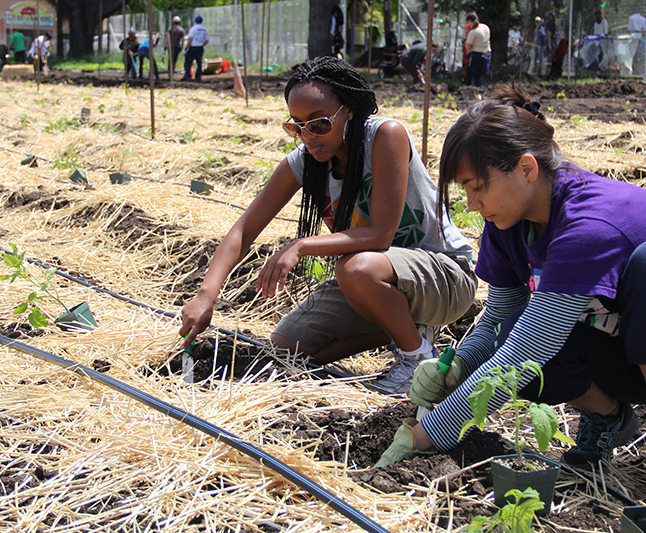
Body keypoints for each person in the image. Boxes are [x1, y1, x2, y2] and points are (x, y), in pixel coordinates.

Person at [375, 84, 646, 518]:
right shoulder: (507, 222)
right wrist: (460, 364)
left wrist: (431, 433)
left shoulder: (589, 223)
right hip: (628, 355)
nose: (472, 203)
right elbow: (501, 319)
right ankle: (609, 418)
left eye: (477, 187)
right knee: (519, 340)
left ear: (526, 168)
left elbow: (530, 346)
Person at [179, 57, 477, 394]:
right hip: (378, 281)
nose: (307, 135)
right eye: (296, 126)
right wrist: (206, 296)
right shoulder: (304, 163)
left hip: (444, 275)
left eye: (319, 124)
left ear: (348, 110)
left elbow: (380, 234)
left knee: (354, 267)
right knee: (287, 346)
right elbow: (243, 231)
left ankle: (417, 360)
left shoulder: (384, 136)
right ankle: (405, 329)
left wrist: (301, 244)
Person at [464, 13, 491, 87]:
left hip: (477, 54)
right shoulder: (485, 27)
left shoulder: (473, 32)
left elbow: (468, 46)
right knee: (470, 71)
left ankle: (479, 88)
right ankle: (466, 84)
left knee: (476, 75)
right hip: (487, 52)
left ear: (470, 21)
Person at [183, 15, 210, 82]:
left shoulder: (193, 28)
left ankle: (188, 75)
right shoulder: (204, 29)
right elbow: (207, 40)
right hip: (200, 48)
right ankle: (198, 77)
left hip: (193, 47)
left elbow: (190, 38)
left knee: (188, 62)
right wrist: (202, 45)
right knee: (199, 63)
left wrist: (187, 47)